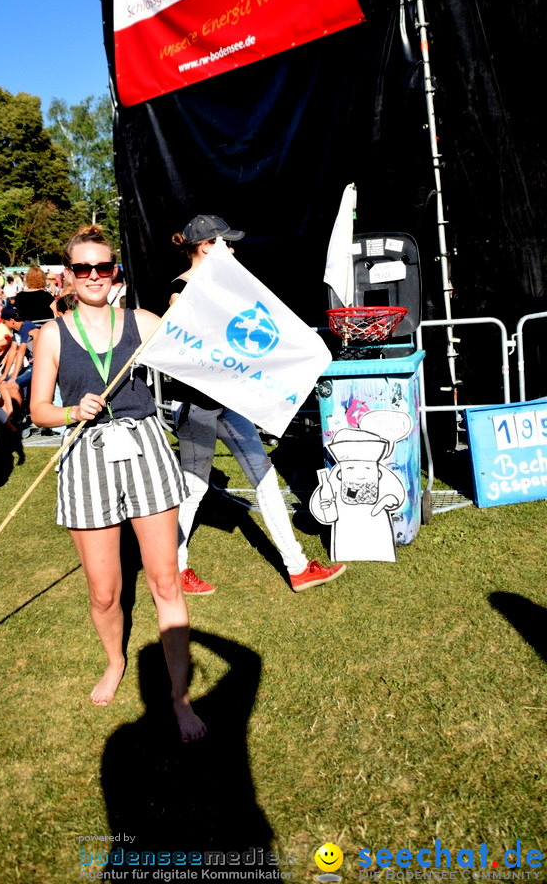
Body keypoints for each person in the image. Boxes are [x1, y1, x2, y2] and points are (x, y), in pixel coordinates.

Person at [30, 224, 205, 742]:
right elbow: (39, 409)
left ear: (115, 273)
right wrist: (69, 410)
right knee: (105, 593)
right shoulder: (53, 333)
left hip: (146, 447)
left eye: (102, 267)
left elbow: (199, 343)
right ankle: (114, 661)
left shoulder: (143, 322)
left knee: (164, 581)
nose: (92, 277)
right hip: (85, 452)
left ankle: (179, 696)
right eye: (82, 269)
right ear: (67, 277)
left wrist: (196, 285)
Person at [169, 214, 346, 595]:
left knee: (252, 480)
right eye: (225, 243)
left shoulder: (219, 288)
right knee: (198, 489)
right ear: (205, 246)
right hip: (201, 408)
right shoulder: (182, 292)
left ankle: (297, 567)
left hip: (225, 403)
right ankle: (175, 570)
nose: (232, 250)